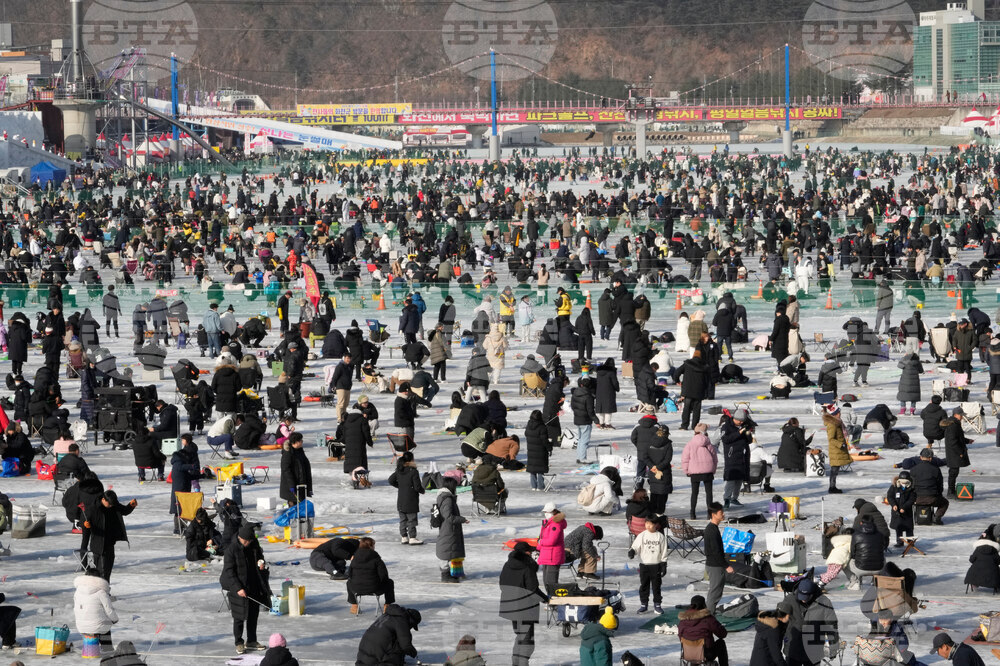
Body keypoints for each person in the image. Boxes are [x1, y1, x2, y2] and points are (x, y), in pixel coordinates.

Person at [220, 523, 271, 654]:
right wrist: (238, 588)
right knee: (239, 617)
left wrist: (261, 563)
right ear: (240, 538)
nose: (247, 543)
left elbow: (260, 557)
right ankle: (239, 642)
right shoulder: (231, 550)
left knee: (253, 615)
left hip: (254, 585)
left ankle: (252, 641)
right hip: (238, 587)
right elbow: (229, 571)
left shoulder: (254, 545)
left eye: (249, 540)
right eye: (245, 541)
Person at [499, 541, 548, 666]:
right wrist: (546, 599)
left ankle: (516, 664)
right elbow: (532, 590)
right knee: (527, 642)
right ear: (525, 553)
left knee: (520, 636)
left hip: (510, 607)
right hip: (524, 609)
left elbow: (502, 584)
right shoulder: (527, 567)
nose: (531, 554)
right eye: (530, 552)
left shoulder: (507, 564)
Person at [82, 490, 137, 581]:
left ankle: (103, 591)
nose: (111, 506)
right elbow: (84, 521)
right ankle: (103, 592)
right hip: (99, 544)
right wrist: (85, 526)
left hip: (110, 542)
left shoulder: (113, 504)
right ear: (103, 499)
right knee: (102, 572)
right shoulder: (93, 508)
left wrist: (131, 505)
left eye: (112, 504)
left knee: (106, 571)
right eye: (109, 504)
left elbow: (123, 511)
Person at [785, 579, 839, 666]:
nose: (803, 600)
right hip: (793, 647)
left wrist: (833, 646)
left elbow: (831, 626)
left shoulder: (824, 602)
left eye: (806, 597)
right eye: (801, 597)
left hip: (814, 649)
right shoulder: (790, 600)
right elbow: (780, 621)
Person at [355, 605, 421, 665]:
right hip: (375, 661)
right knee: (399, 647)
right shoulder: (402, 620)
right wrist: (414, 653)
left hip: (362, 657)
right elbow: (405, 645)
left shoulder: (386, 615)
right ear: (412, 621)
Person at [628, 517, 669, 614]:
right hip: (644, 565)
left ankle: (657, 604)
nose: (648, 526)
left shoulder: (660, 536)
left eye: (650, 524)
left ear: (656, 525)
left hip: (656, 565)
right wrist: (632, 551)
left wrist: (664, 563)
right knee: (644, 585)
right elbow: (636, 546)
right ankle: (644, 604)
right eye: (646, 524)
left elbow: (664, 551)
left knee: (656, 586)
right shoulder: (642, 535)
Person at [347, 537, 395, 615]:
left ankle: (354, 606)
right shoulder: (376, 559)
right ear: (370, 546)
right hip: (374, 588)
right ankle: (387, 606)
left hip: (357, 589)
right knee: (389, 582)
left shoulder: (355, 559)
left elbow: (349, 574)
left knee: (349, 582)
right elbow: (384, 576)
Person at [73, 569, 118, 652]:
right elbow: (109, 610)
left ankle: (91, 648)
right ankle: (107, 648)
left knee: (94, 622)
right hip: (97, 627)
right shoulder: (101, 592)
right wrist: (115, 620)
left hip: (81, 626)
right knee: (105, 625)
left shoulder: (78, 591)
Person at [678, 594, 729, 666]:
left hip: (688, 654)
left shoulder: (683, 620)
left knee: (692, 643)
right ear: (703, 605)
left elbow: (680, 636)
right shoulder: (708, 619)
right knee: (721, 643)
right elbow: (722, 634)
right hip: (706, 654)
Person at [388, 451, 425, 545]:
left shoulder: (399, 470)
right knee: (412, 519)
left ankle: (404, 537)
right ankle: (412, 537)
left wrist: (400, 486)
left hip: (401, 499)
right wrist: (422, 490)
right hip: (411, 499)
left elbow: (390, 480)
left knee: (403, 519)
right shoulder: (413, 471)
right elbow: (417, 487)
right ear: (411, 459)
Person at [436, 477, 468, 583]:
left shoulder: (445, 497)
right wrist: (462, 519)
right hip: (449, 529)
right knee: (446, 550)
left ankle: (455, 572)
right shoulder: (447, 499)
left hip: (449, 528)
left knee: (451, 550)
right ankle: (445, 574)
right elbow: (448, 516)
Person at [682, 424, 717, 520]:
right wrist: (713, 469)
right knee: (709, 493)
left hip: (694, 471)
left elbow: (685, 458)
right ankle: (710, 513)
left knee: (694, 492)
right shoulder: (708, 443)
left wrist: (686, 470)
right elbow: (714, 457)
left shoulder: (690, 444)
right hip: (708, 470)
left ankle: (692, 512)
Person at [704, 502, 732, 611]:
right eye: (721, 512)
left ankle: (710, 615)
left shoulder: (713, 528)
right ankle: (709, 617)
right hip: (715, 566)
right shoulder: (711, 530)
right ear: (714, 514)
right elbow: (716, 552)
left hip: (715, 565)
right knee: (714, 593)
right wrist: (726, 566)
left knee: (716, 592)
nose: (723, 514)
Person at [721, 409, 751, 508]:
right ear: (734, 418)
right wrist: (739, 432)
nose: (741, 422)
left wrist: (748, 434)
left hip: (742, 455)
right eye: (739, 421)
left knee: (739, 479)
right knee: (731, 479)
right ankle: (727, 498)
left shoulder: (743, 426)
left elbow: (749, 441)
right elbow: (726, 439)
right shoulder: (726, 426)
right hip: (731, 456)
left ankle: (735, 498)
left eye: (742, 421)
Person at [910, 447, 949, 524]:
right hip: (931, 498)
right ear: (931, 458)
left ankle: (909, 518)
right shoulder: (936, 469)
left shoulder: (913, 469)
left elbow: (910, 484)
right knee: (945, 503)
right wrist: (938, 495)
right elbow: (940, 485)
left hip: (916, 498)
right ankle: (937, 517)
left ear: (921, 457)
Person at [942, 406, 972, 497]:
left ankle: (951, 490)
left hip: (954, 452)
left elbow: (957, 437)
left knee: (954, 472)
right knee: (953, 472)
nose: (962, 417)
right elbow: (953, 441)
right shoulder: (953, 425)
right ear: (955, 415)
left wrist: (967, 441)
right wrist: (960, 452)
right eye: (961, 415)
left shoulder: (954, 423)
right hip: (954, 453)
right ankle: (950, 492)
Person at [538, 502, 566, 594]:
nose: (545, 514)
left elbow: (551, 541)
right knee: (546, 581)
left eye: (547, 512)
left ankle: (554, 602)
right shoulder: (548, 523)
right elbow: (543, 537)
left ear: (553, 512)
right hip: (547, 555)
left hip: (553, 556)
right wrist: (538, 547)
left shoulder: (555, 524)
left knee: (551, 582)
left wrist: (540, 543)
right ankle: (551, 600)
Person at [677, 350, 710, 430]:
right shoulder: (705, 366)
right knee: (697, 410)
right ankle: (695, 426)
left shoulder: (687, 364)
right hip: (699, 391)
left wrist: (677, 381)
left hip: (687, 390)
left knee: (686, 408)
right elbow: (707, 380)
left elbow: (677, 372)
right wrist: (706, 391)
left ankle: (684, 425)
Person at [964, 525, 1000, 593]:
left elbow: (971, 560)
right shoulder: (994, 550)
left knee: (975, 569)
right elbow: (998, 561)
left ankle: (974, 585)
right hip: (992, 578)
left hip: (974, 576)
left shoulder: (977, 549)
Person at [279, 433, 312, 506]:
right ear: (295, 442)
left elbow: (306, 467)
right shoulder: (288, 454)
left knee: (301, 506)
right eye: (300, 440)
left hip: (301, 485)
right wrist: (291, 485)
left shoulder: (300, 451)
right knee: (293, 506)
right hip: (292, 486)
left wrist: (309, 487)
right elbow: (286, 470)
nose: (302, 442)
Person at [824, 405, 851, 494]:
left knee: (835, 470)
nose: (840, 413)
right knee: (834, 470)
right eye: (838, 412)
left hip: (837, 450)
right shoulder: (832, 424)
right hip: (836, 450)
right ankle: (832, 488)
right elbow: (831, 439)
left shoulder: (837, 422)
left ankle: (833, 487)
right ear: (835, 414)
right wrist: (841, 444)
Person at [887, 471, 916, 547]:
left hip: (907, 512)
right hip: (897, 512)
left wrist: (904, 507)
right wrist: (893, 505)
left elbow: (912, 499)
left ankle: (910, 542)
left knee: (909, 528)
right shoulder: (894, 487)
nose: (904, 483)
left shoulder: (912, 488)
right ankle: (899, 542)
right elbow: (890, 496)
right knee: (898, 527)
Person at [525, 410, 551, 491]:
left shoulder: (528, 425)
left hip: (531, 450)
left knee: (532, 469)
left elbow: (526, 435)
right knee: (540, 469)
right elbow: (545, 441)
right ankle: (540, 486)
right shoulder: (542, 427)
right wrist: (549, 447)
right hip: (540, 451)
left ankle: (533, 486)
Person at [329, 352, 353, 423]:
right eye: (347, 358)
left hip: (347, 387)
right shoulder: (340, 366)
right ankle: (339, 419)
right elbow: (335, 377)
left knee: (346, 404)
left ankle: (344, 417)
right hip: (340, 386)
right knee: (341, 404)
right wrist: (333, 386)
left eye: (350, 358)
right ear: (344, 358)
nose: (348, 360)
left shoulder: (350, 366)